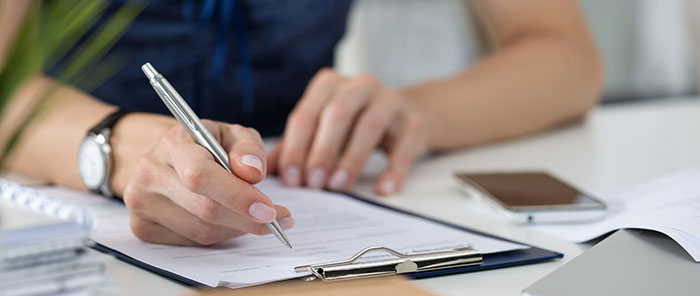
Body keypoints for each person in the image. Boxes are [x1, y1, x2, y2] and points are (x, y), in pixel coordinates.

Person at [0, 0, 602, 246]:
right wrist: (118, 150)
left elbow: (566, 56)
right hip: (66, 209)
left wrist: (411, 115)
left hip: (304, 184)